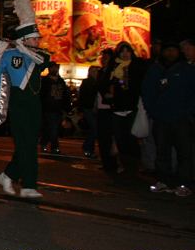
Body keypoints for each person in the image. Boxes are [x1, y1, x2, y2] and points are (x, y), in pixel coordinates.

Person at [0, 0, 50, 198]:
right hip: (18, 103)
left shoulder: (41, 55)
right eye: (34, 38)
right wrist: (0, 49)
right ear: (25, 38)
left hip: (35, 103)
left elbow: (43, 62)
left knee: (30, 145)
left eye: (38, 38)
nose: (38, 41)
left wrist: (24, 48)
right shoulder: (10, 54)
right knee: (25, 146)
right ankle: (28, 186)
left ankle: (7, 175)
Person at [142, 40, 195, 197]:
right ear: (162, 52)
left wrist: (189, 111)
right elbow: (147, 91)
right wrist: (153, 110)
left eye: (174, 50)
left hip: (182, 120)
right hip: (161, 119)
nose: (171, 53)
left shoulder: (187, 69)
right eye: (168, 50)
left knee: (184, 153)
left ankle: (183, 183)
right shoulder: (154, 70)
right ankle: (164, 181)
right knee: (162, 153)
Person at [103, 42, 145, 172]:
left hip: (132, 106)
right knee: (120, 137)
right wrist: (108, 94)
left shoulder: (136, 66)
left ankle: (135, 163)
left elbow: (141, 84)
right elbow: (104, 83)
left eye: (128, 52)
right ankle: (126, 163)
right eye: (123, 52)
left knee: (131, 137)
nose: (125, 54)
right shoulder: (113, 66)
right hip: (117, 107)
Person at [39, 62, 71, 154]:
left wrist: (67, 107)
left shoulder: (61, 81)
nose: (54, 69)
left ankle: (43, 142)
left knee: (53, 127)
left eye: (55, 68)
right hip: (49, 108)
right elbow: (42, 95)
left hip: (58, 108)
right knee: (53, 127)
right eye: (52, 67)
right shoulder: (45, 81)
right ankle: (54, 147)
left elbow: (65, 95)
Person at [78, 65, 100, 158]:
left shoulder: (98, 82)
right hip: (89, 108)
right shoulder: (87, 82)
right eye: (92, 71)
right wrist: (81, 109)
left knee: (95, 129)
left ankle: (88, 148)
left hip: (96, 108)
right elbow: (82, 96)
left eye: (96, 71)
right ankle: (88, 148)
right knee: (95, 128)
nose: (94, 73)